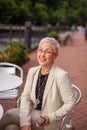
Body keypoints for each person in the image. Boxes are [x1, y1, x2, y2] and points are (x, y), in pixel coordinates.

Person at [0, 37, 76, 130]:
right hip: (32, 114)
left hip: (47, 121)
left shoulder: (61, 75)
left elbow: (70, 103)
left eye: (47, 51)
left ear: (55, 56)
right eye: (40, 50)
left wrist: (51, 117)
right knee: (11, 128)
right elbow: (26, 96)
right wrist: (25, 122)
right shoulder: (33, 71)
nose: (42, 55)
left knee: (9, 114)